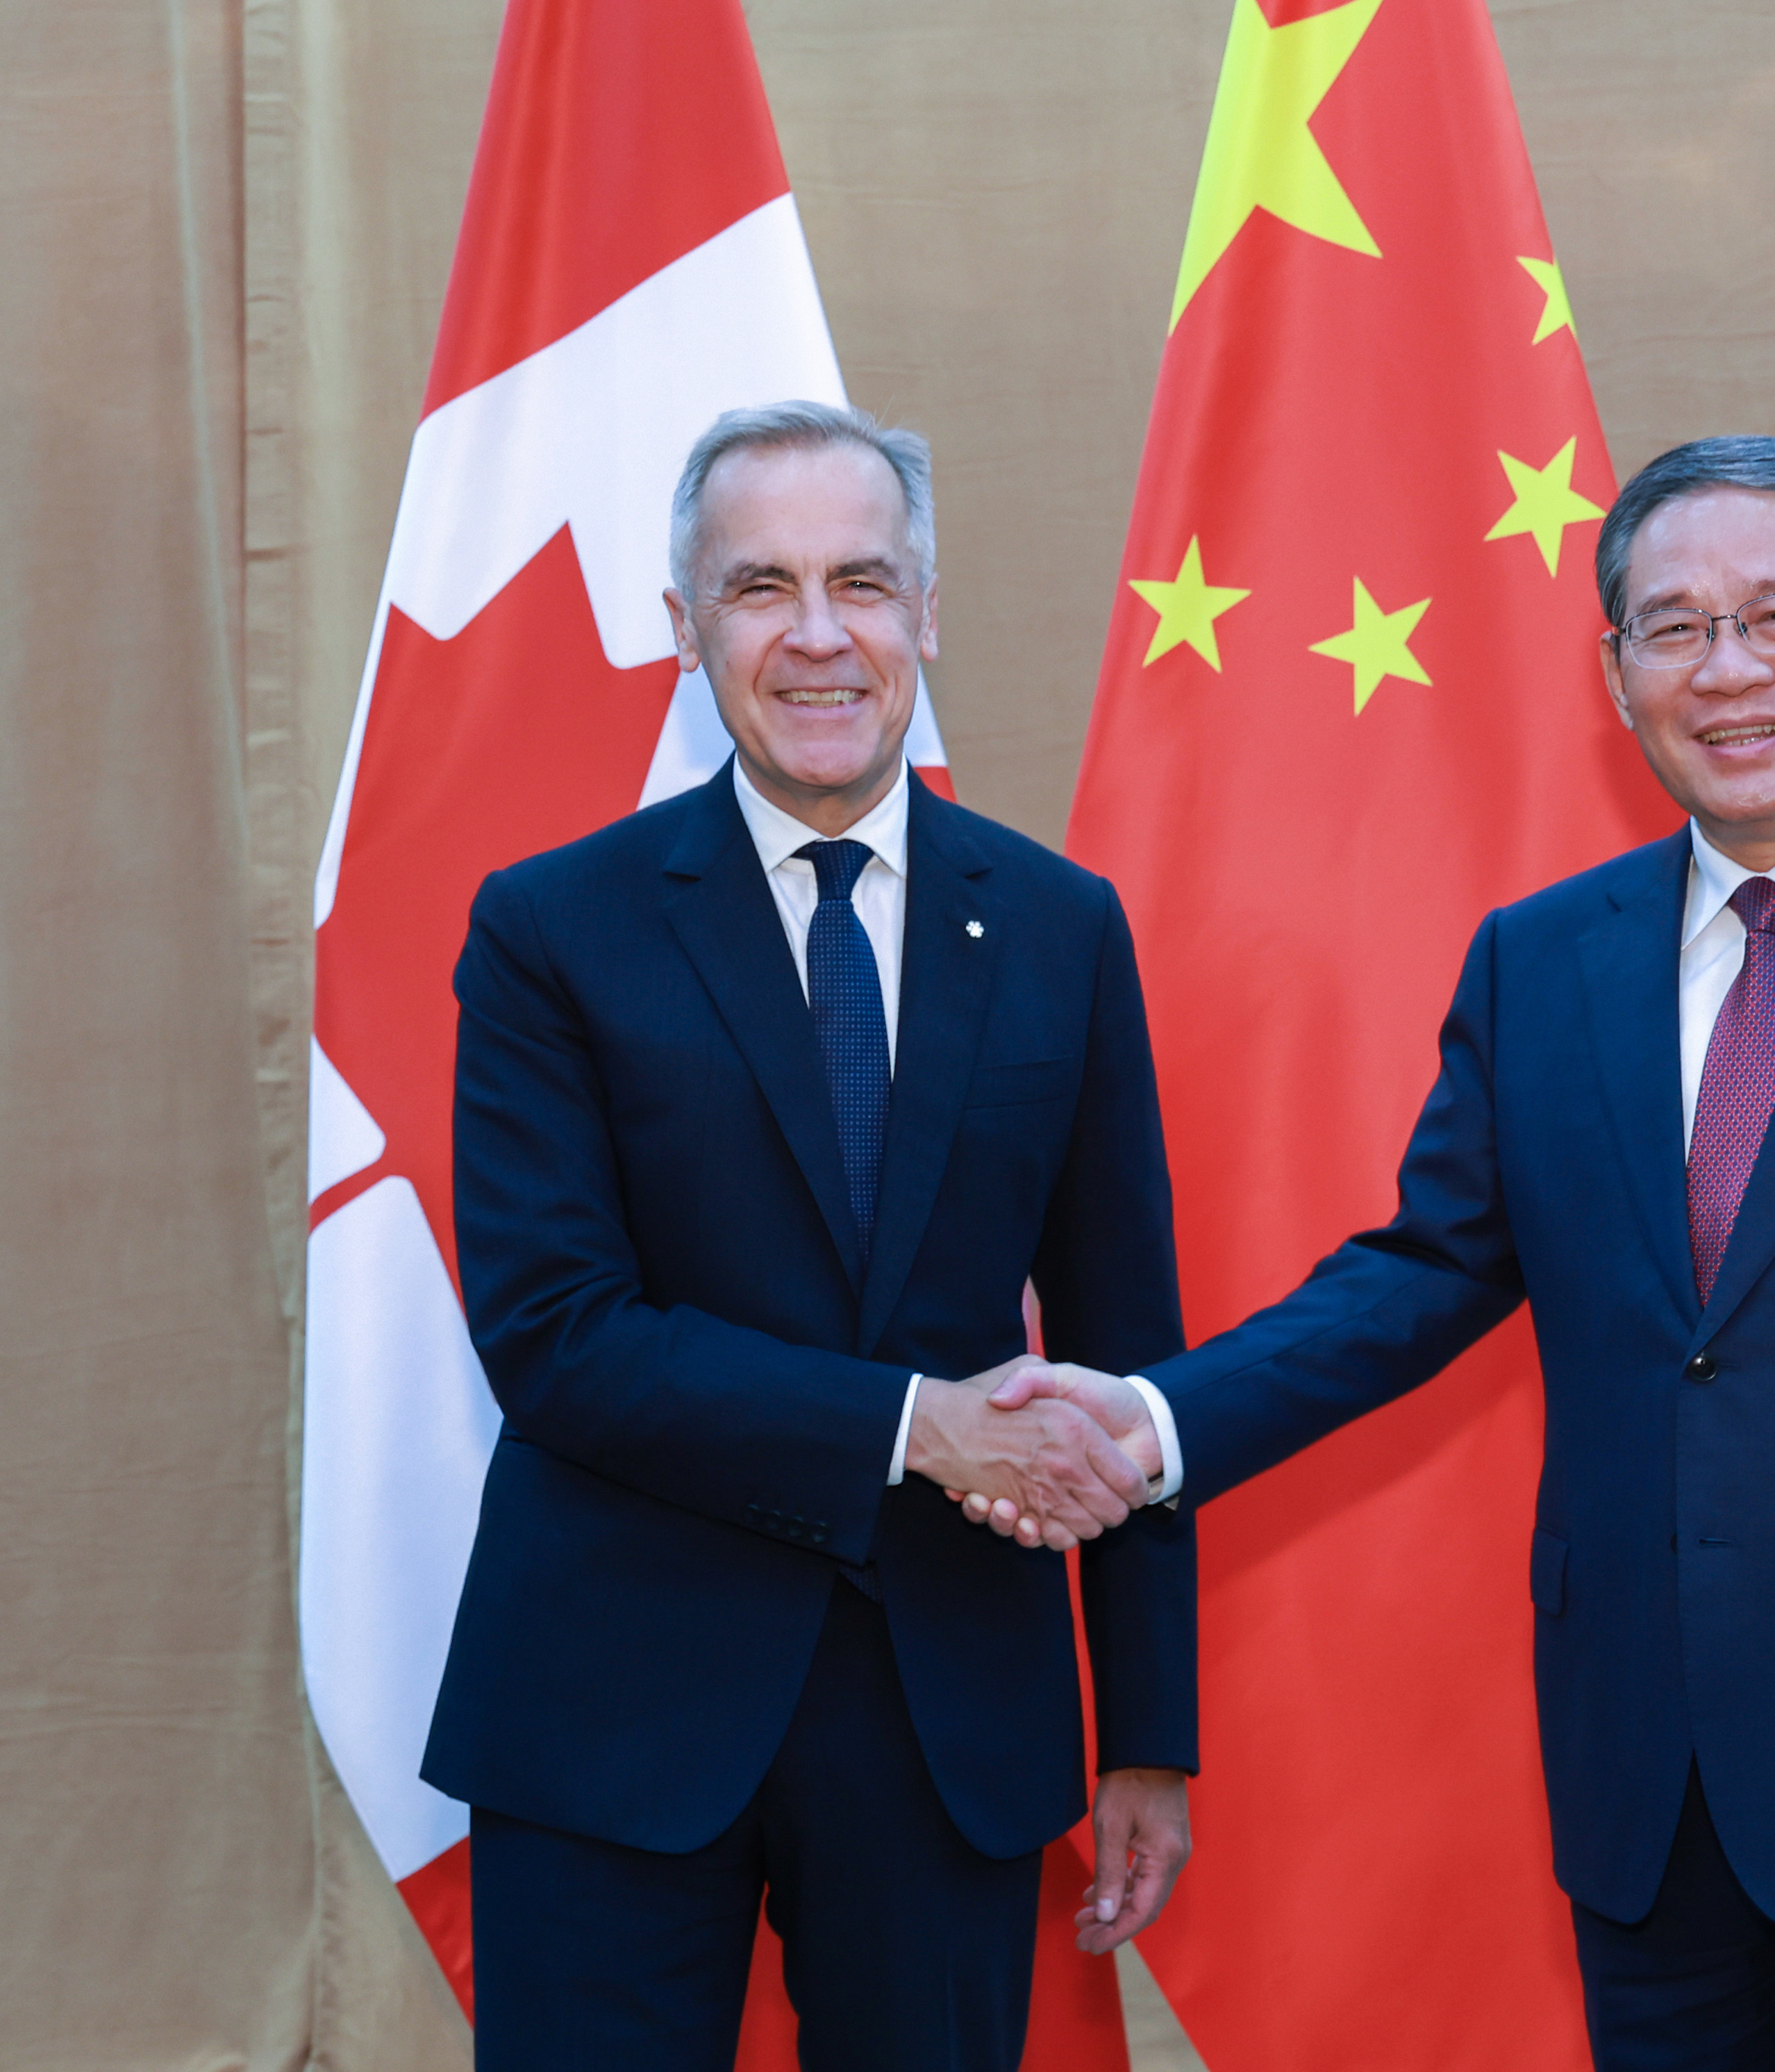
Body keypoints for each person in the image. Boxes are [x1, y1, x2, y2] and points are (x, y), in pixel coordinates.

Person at [963, 438, 1775, 2069]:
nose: (1729, 670)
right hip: (1653, 1781)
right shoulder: (1543, 962)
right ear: (1614, 669)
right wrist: (1147, 1426)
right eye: (1674, 626)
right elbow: (1417, 1279)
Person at [422, 402, 1197, 2072]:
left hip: (946, 1715)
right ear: (684, 629)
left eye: (863, 579)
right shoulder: (553, 928)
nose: (819, 632)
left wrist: (1147, 1729)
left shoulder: (1060, 927)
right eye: (761, 586)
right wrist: (918, 1425)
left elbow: (1129, 1355)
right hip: (611, 1704)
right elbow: (557, 1336)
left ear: (927, 612)